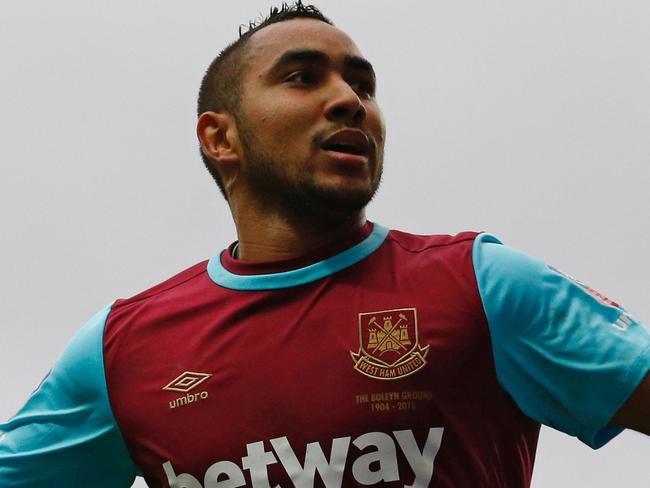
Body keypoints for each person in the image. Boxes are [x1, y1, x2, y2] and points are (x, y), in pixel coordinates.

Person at [1, 2, 648, 487]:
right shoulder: (122, 351)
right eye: (303, 78)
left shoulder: (486, 286)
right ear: (219, 138)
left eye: (362, 85)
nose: (349, 101)